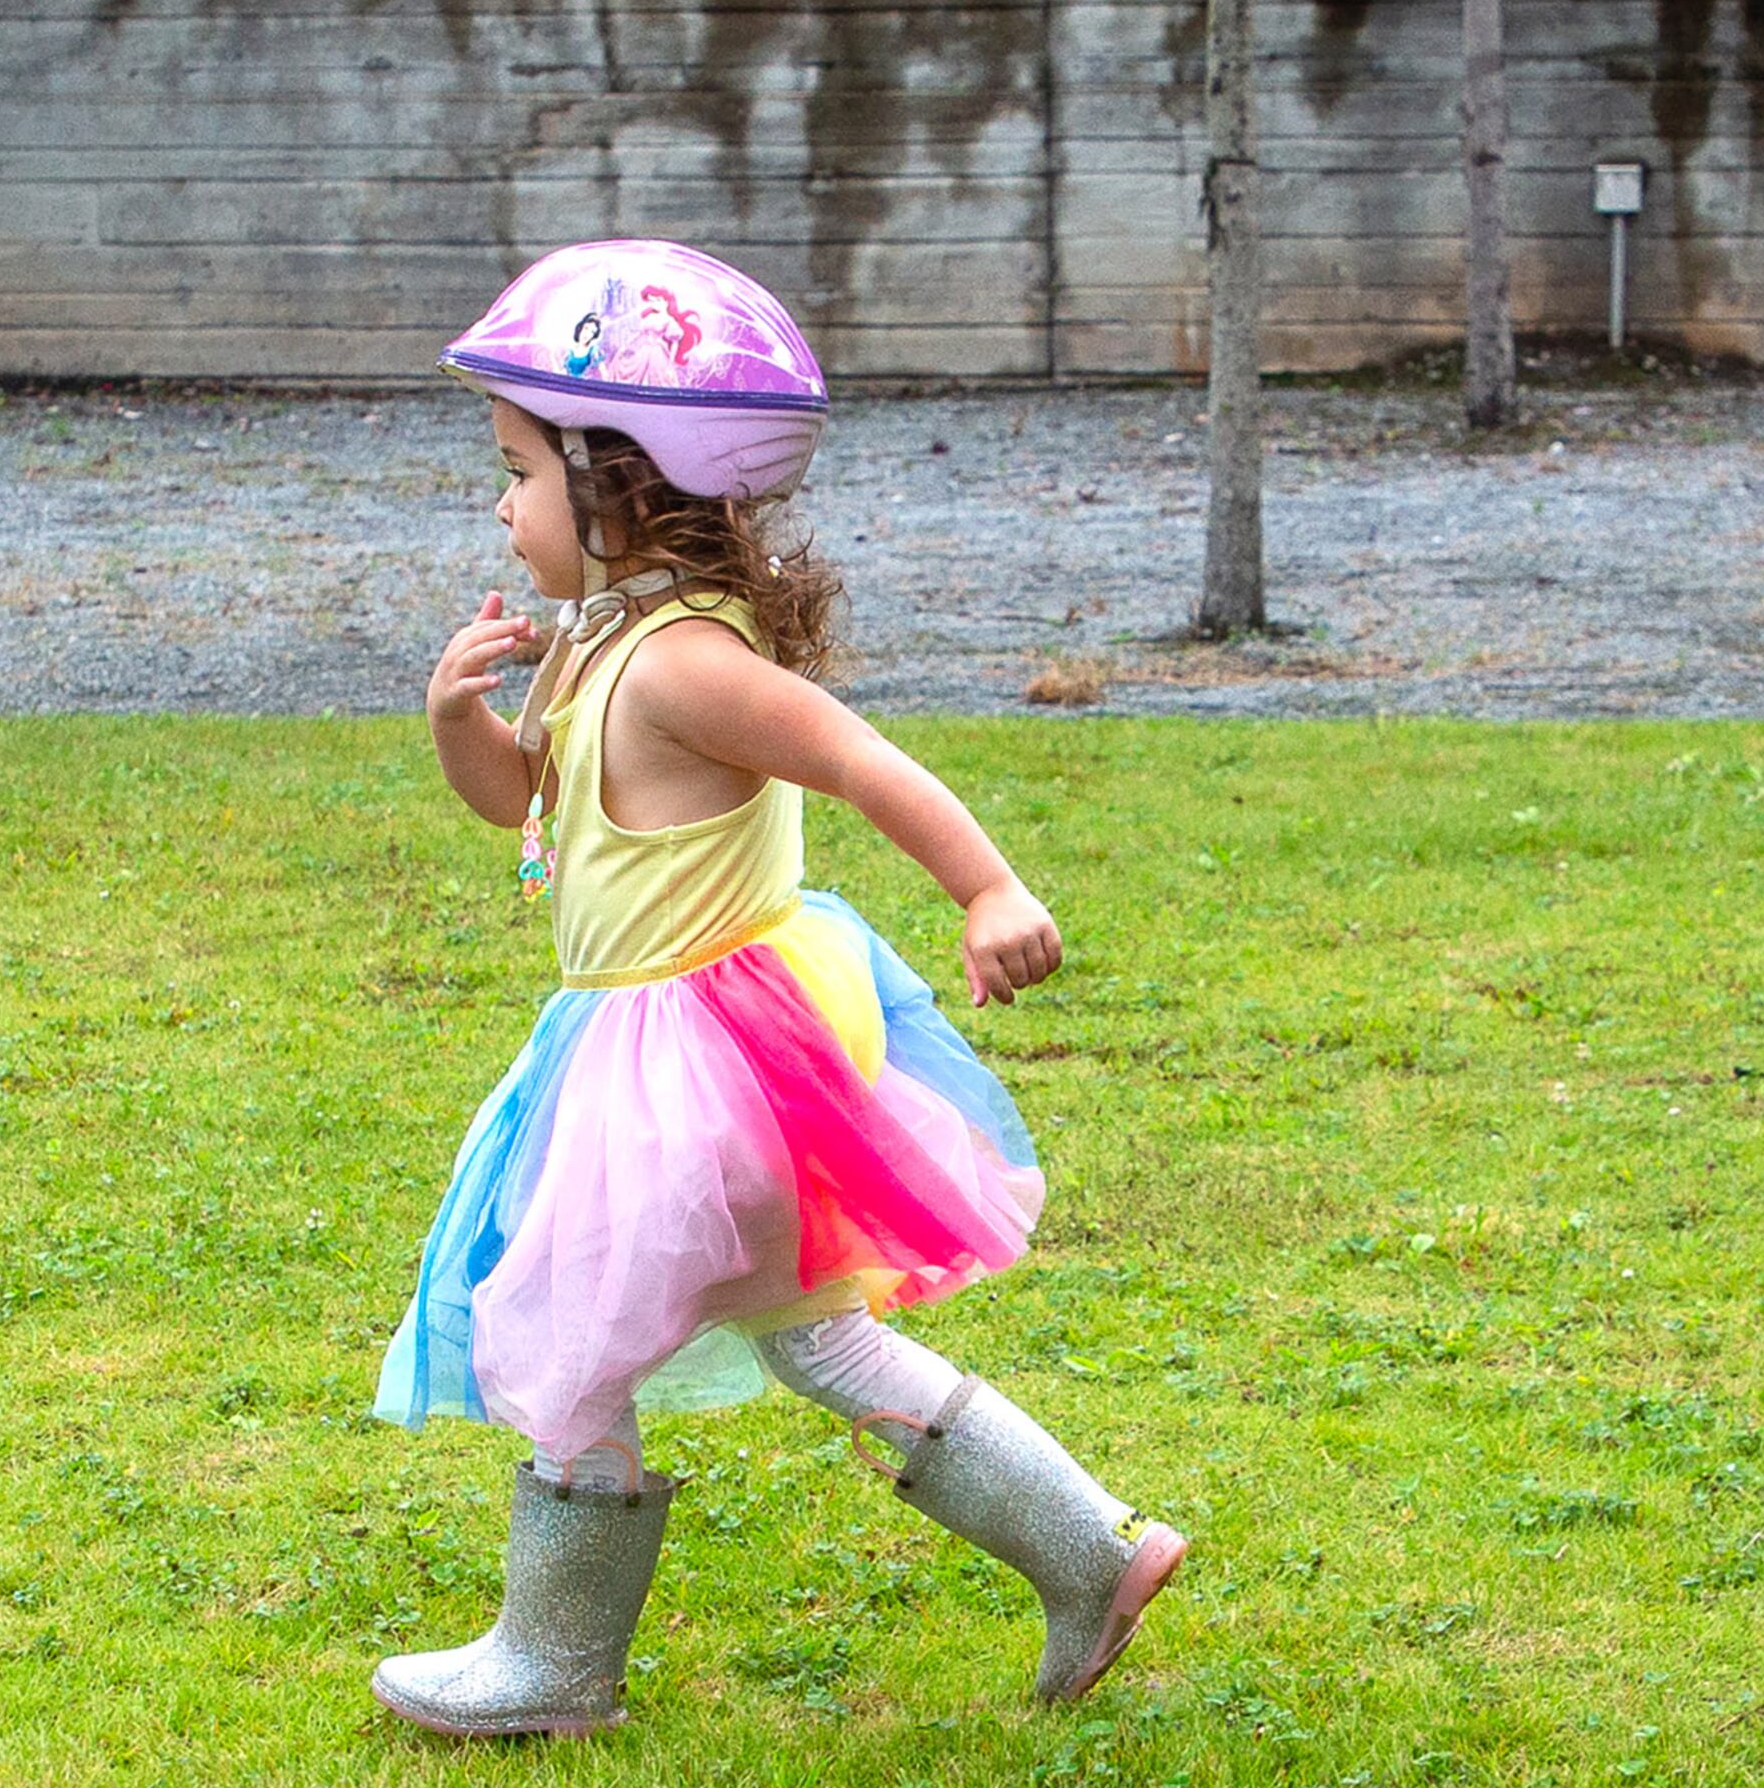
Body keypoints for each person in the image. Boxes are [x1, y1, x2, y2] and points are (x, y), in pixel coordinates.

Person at [370, 240, 1186, 1737]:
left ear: (618, 481)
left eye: (516, 471)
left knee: (566, 1329)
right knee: (817, 1335)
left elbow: (863, 758)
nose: (500, 503)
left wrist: (989, 887)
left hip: (694, 1069)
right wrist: (454, 719)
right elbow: (526, 809)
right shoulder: (595, 640)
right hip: (672, 1047)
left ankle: (554, 1664)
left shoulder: (685, 661)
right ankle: (1093, 1548)